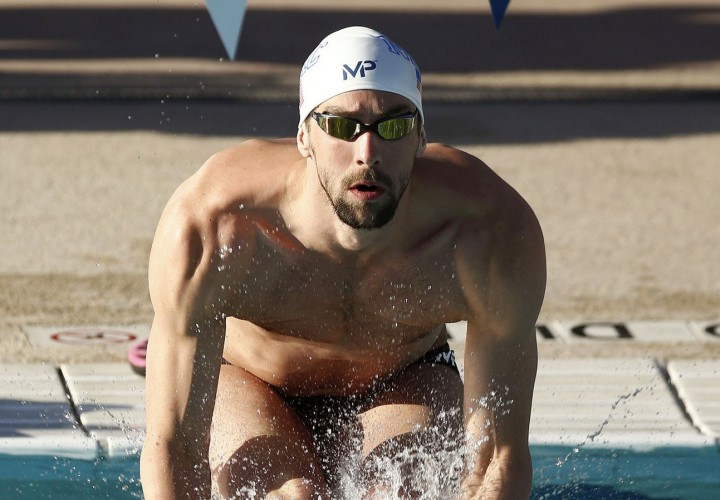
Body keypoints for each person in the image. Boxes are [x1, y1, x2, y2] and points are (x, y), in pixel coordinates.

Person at [140, 26, 546, 499]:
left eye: (392, 126)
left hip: (406, 377)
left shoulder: (488, 233)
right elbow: (175, 446)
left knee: (401, 490)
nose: (367, 154)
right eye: (340, 126)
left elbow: (496, 458)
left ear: (420, 136)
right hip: (252, 378)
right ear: (304, 136)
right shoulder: (217, 224)